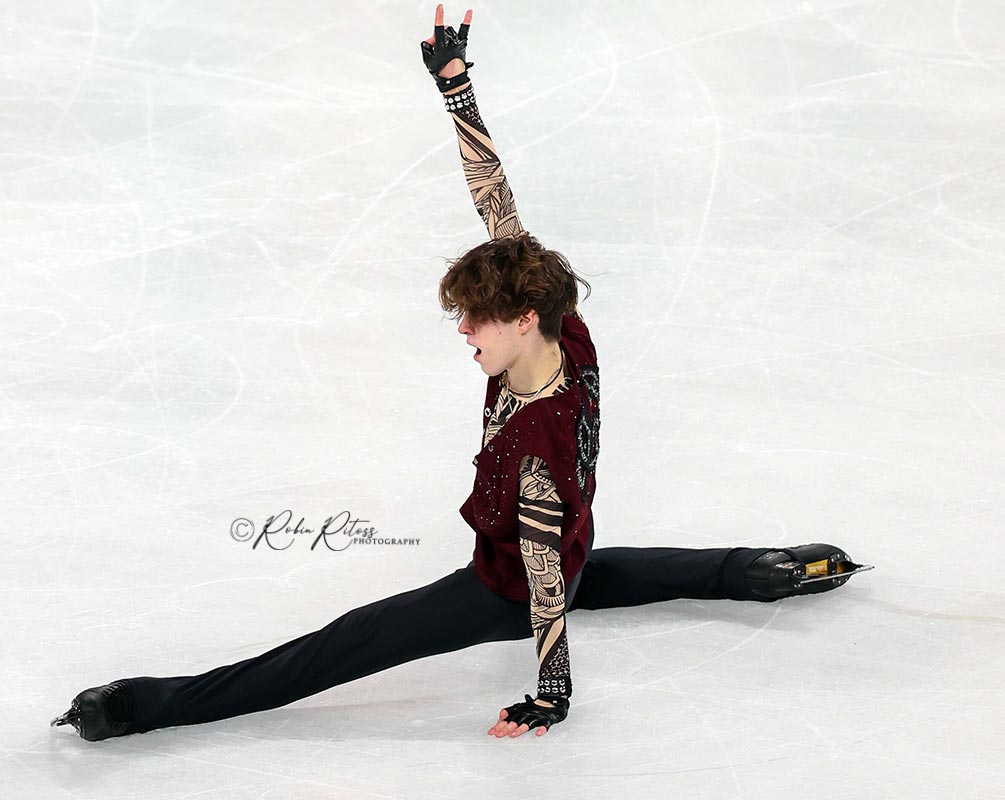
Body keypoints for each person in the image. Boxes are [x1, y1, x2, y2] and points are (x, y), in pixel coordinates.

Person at [50, 4, 870, 743]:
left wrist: (550, 694)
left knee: (345, 642)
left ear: (520, 318)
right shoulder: (561, 326)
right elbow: (495, 202)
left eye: (476, 318)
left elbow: (541, 590)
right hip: (570, 550)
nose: (462, 330)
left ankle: (147, 706)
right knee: (606, 571)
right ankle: (761, 571)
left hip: (509, 588)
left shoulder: (537, 446)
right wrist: (455, 88)